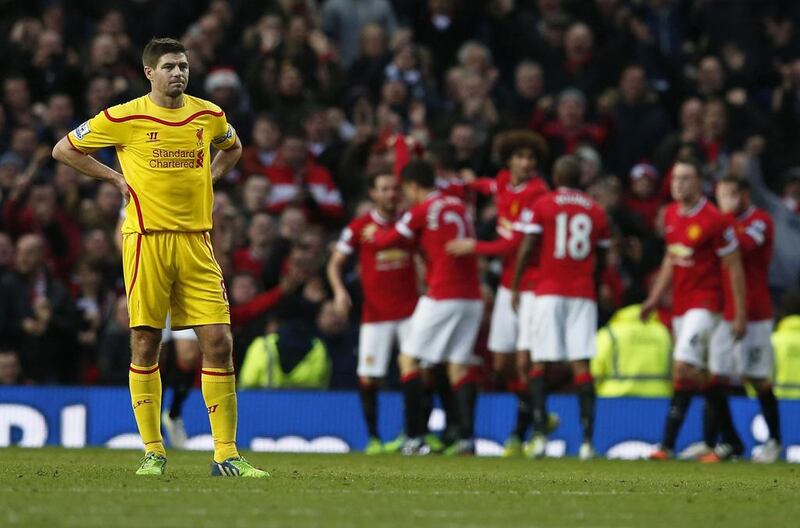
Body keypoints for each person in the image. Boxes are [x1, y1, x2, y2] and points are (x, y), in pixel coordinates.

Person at [51, 37, 268, 478]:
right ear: (149, 72)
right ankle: (154, 450)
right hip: (146, 240)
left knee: (220, 342)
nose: (178, 73)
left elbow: (234, 147)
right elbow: (64, 149)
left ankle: (225, 455)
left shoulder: (208, 115)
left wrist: (211, 177)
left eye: (184, 66)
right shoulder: (123, 116)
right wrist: (114, 178)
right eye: (169, 66)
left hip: (196, 242)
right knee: (146, 341)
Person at [445, 130, 551, 456]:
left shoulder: (537, 194)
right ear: (509, 160)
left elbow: (515, 245)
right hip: (508, 284)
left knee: (523, 361)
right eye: (520, 157)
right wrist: (463, 184)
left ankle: (524, 434)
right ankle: (541, 416)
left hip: (532, 284)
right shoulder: (504, 181)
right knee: (502, 362)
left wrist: (473, 246)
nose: (526, 163)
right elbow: (487, 186)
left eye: (531, 158)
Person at [373, 159, 483, 455]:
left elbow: (388, 239)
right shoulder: (458, 205)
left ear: (412, 185)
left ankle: (414, 436)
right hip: (472, 297)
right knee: (458, 366)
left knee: (408, 360)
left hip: (443, 295)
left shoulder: (421, 210)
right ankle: (465, 438)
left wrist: (373, 235)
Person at [641, 159, 747, 462]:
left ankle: (666, 445)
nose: (679, 185)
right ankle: (731, 441)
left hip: (706, 304)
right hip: (680, 305)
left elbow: (733, 266)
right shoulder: (672, 214)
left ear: (699, 182)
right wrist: (654, 297)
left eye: (686, 179)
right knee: (696, 375)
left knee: (682, 368)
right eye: (675, 179)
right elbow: (670, 259)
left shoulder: (715, 219)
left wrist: (739, 313)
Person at [511, 155, 611, 460]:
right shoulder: (596, 209)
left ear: (555, 176)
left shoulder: (543, 204)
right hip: (581, 293)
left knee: (539, 362)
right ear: (581, 178)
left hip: (549, 291)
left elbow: (528, 246)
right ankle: (586, 443)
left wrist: (516, 284)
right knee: (582, 365)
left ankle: (540, 436)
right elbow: (601, 257)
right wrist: (593, 283)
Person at [327, 170, 419, 455]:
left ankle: (413, 435)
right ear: (373, 194)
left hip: (410, 312)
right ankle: (375, 439)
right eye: (385, 189)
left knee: (414, 371)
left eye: (395, 189)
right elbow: (335, 264)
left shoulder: (410, 223)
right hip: (375, 314)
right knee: (369, 377)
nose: (391, 194)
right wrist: (340, 292)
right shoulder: (359, 227)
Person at [707, 176, 781, 463]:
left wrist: (722, 217)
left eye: (729, 195)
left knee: (757, 378)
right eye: (720, 194)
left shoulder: (760, 221)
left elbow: (739, 247)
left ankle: (774, 441)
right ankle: (721, 442)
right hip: (725, 310)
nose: (724, 200)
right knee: (714, 375)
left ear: (744, 196)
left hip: (756, 312)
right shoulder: (723, 223)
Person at [592, 303, 672, 398]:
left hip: (613, 401)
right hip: (660, 399)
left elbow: (595, 370)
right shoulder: (664, 333)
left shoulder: (608, 334)